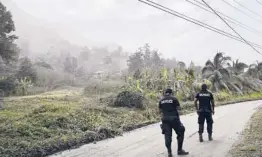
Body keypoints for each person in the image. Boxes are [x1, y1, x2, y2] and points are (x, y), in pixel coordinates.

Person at [159, 88, 189, 157]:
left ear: (165, 93)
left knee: (167, 136)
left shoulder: (161, 100)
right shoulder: (174, 99)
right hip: (174, 119)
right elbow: (179, 108)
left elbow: (160, 111)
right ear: (171, 93)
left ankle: (169, 152)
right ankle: (179, 150)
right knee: (181, 131)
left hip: (165, 120)